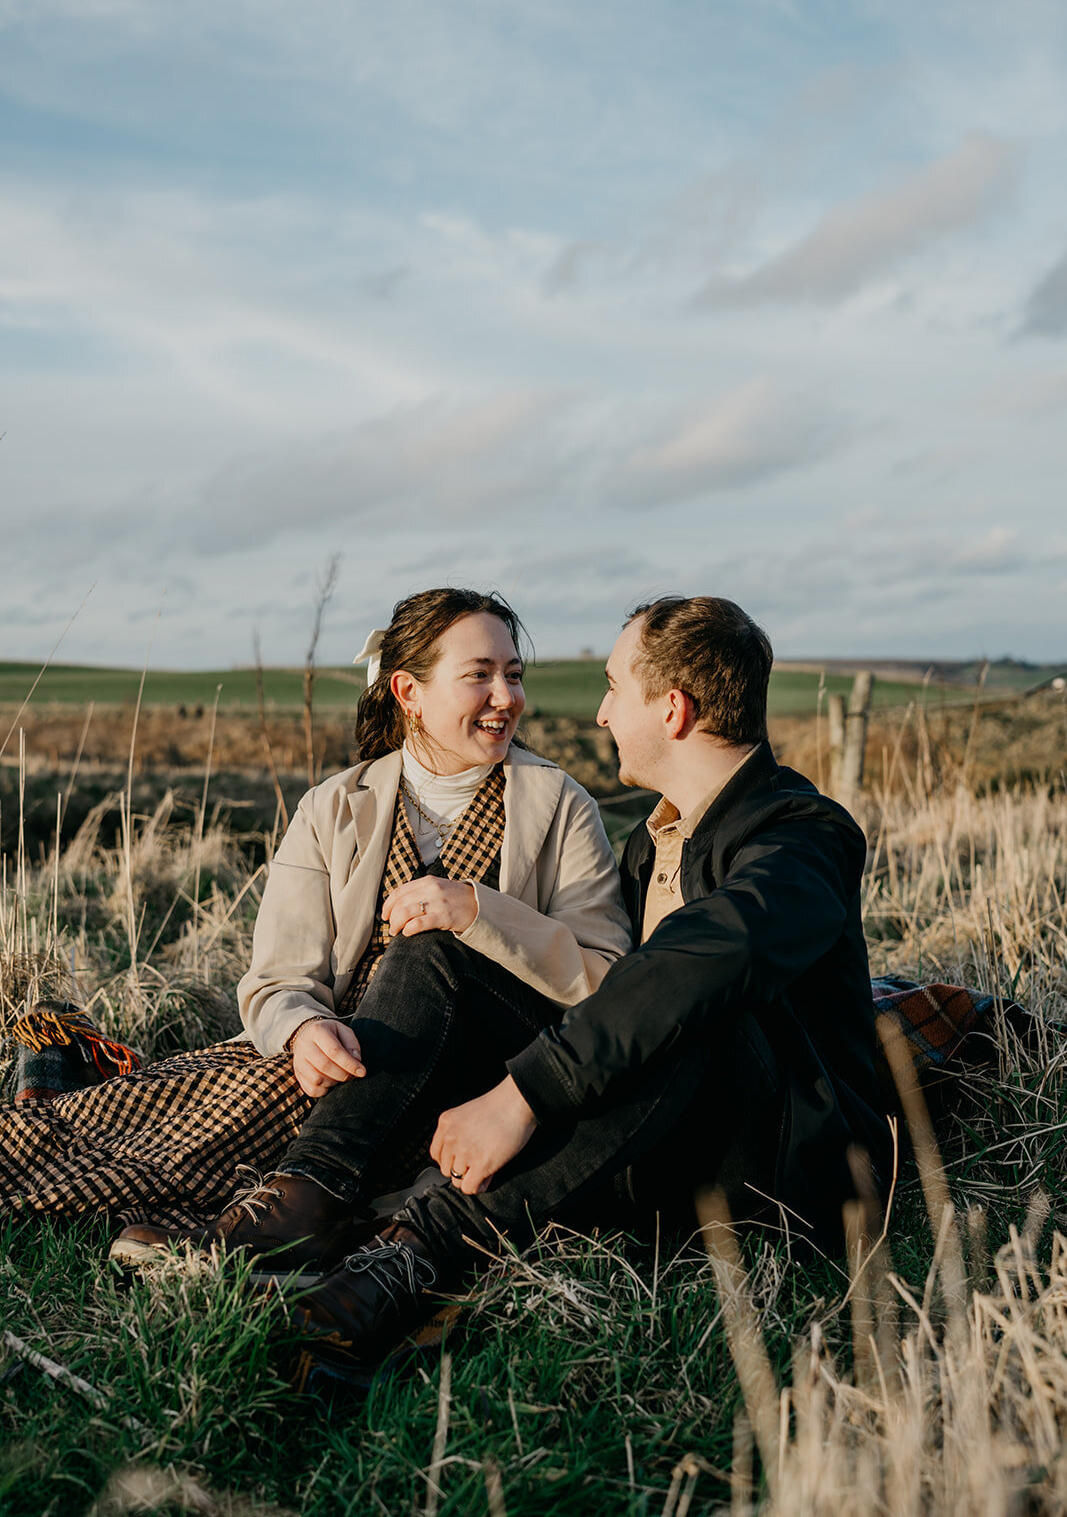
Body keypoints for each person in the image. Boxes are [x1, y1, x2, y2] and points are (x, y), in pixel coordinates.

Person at [208, 594, 891, 1392]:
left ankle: (411, 1258)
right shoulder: (656, 841)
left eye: (610, 687)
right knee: (441, 955)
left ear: (671, 710)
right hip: (656, 1135)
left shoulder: (801, 834)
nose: (598, 714)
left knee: (687, 1010)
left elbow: (695, 966)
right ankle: (313, 1200)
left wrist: (522, 1094)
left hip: (782, 1169)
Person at [0, 588, 630, 1236]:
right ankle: (219, 1207)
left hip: (479, 1073)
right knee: (198, 1100)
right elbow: (276, 979)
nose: (507, 697)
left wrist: (478, 911)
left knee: (397, 976)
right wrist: (302, 1031)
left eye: (513, 674)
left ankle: (289, 1208)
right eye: (479, 675)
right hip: (347, 1054)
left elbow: (605, 980)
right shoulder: (331, 806)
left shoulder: (559, 804)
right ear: (408, 693)